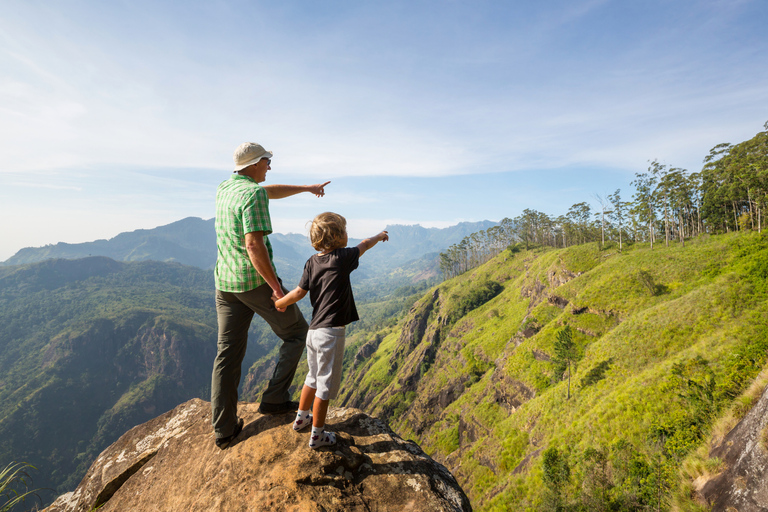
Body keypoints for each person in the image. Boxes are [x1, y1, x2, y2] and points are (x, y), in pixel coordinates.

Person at [212, 142, 330, 450]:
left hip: (225, 283)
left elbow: (268, 191)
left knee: (227, 355)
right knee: (297, 333)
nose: (269, 166)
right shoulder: (251, 195)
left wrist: (306, 188)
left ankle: (223, 430)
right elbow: (254, 246)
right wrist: (277, 289)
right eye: (266, 161)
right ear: (253, 164)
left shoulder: (227, 188)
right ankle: (275, 398)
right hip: (254, 282)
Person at [274, 212, 389, 449]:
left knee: (312, 377)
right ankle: (317, 434)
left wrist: (280, 303)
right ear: (337, 237)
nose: (349, 234)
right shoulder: (342, 257)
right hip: (331, 333)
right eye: (345, 230)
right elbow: (365, 245)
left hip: (313, 331)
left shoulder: (311, 262)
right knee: (324, 386)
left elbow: (298, 292)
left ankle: (301, 418)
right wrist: (379, 236)